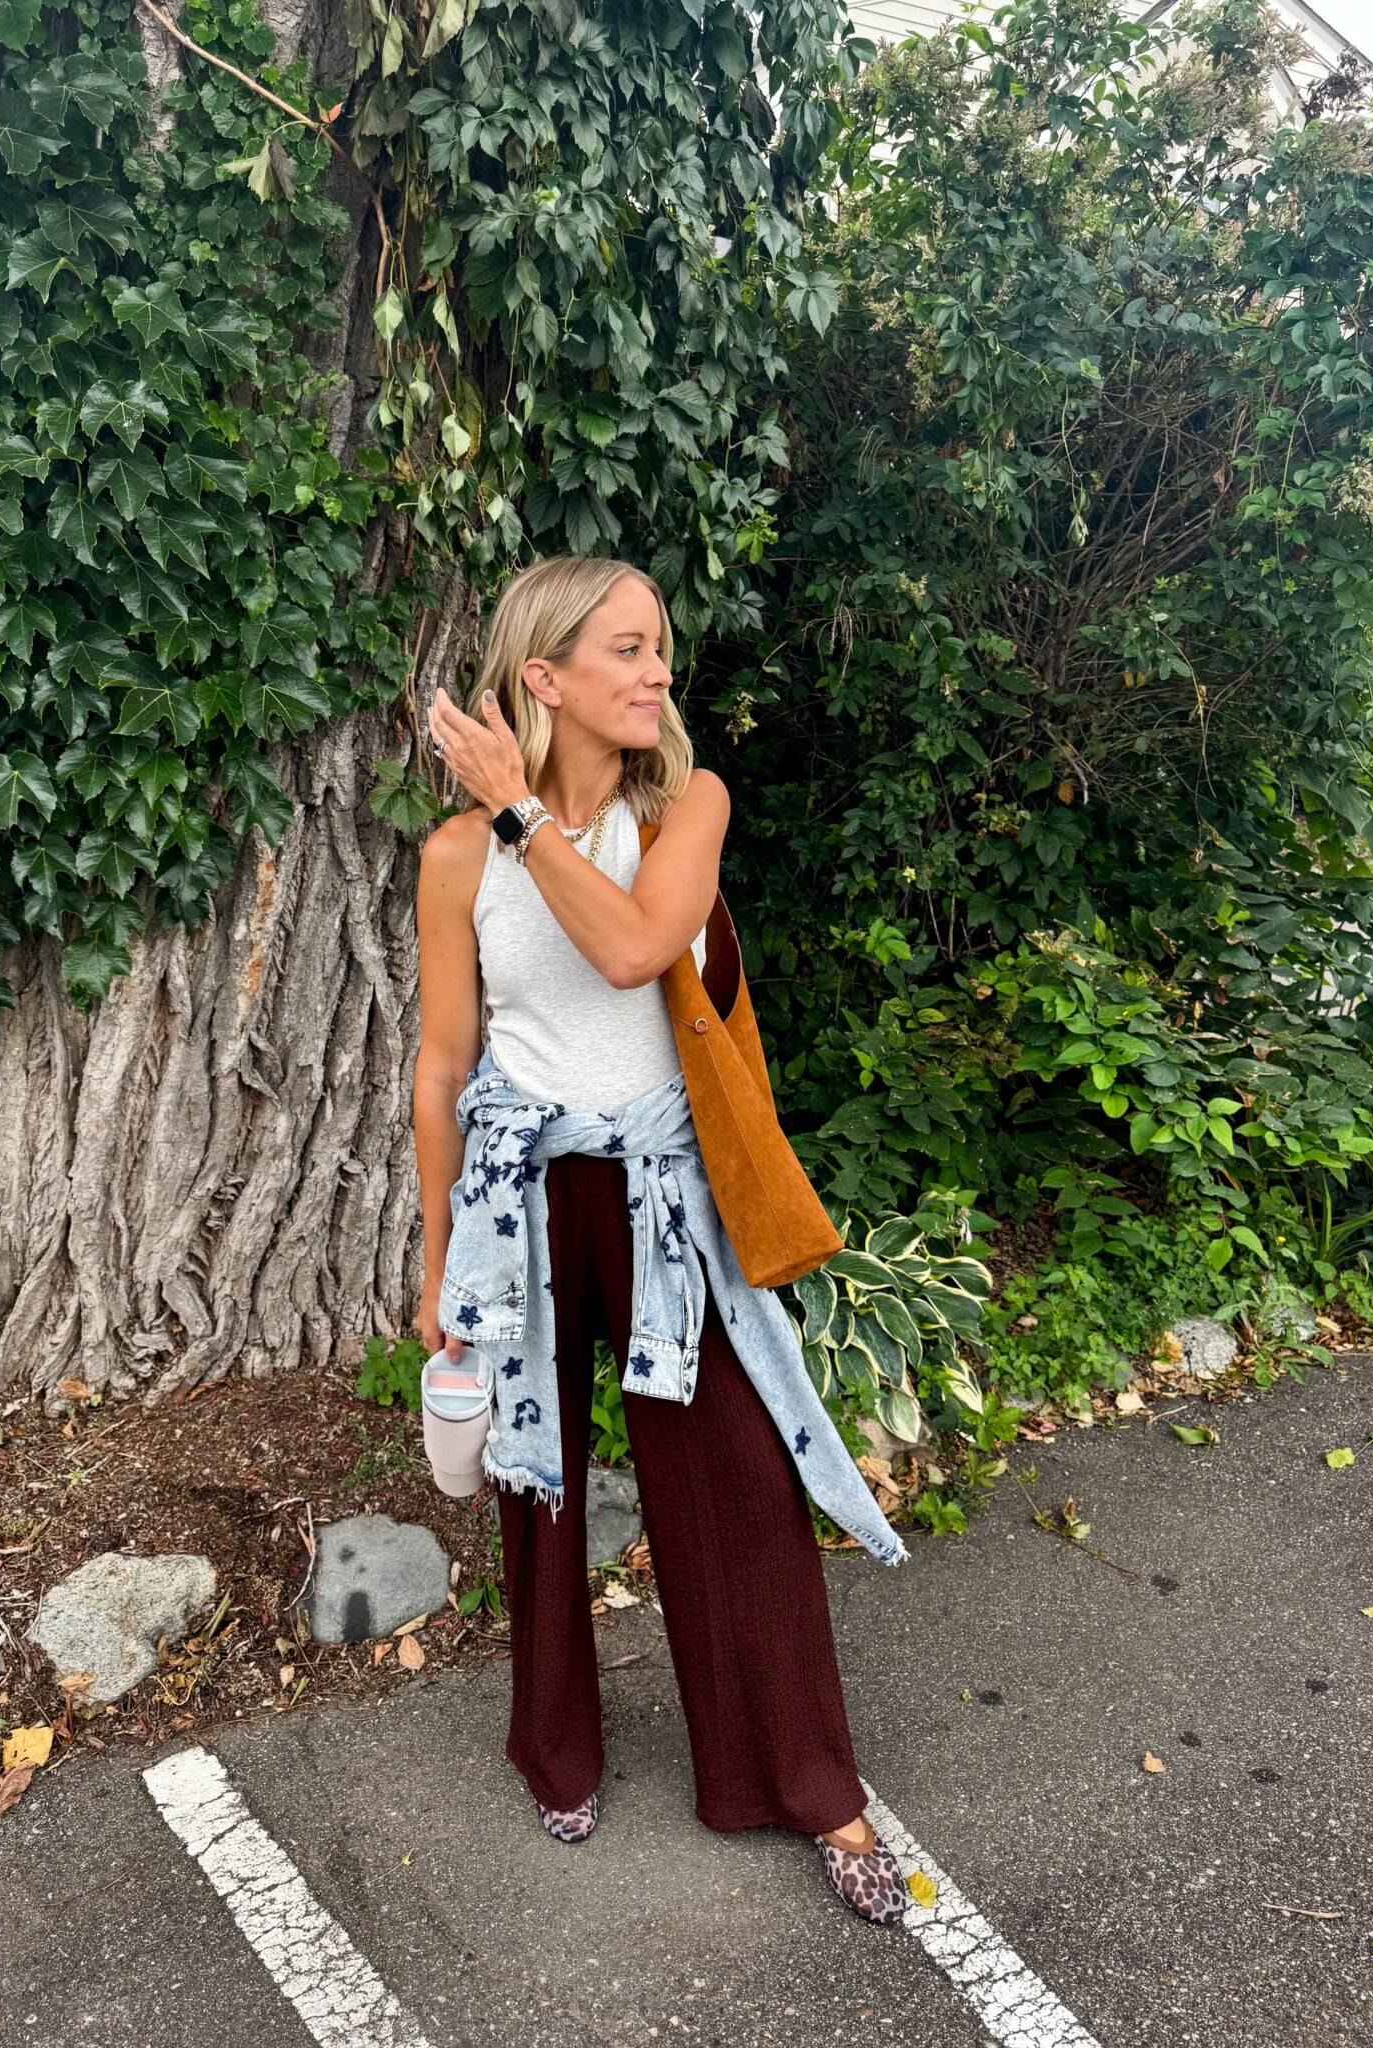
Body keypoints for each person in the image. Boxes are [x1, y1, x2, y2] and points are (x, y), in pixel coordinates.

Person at [411, 555, 908, 1924]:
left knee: (742, 1480)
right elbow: (443, 1063)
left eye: (661, 651)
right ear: (542, 676)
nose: (657, 672)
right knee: (539, 1480)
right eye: (626, 649)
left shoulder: (685, 807)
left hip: (661, 1191)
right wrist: (436, 1255)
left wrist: (516, 808)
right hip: (521, 1196)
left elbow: (633, 951)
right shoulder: (454, 861)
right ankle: (555, 1748)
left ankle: (808, 1784)